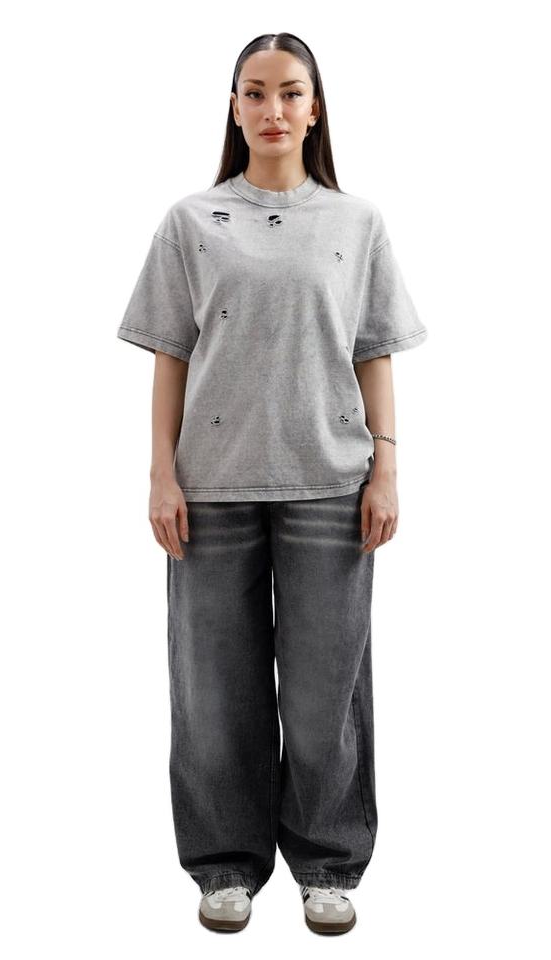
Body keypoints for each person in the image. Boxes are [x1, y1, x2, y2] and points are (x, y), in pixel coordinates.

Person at [117, 32, 428, 935]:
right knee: (214, 692)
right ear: (235, 107)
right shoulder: (191, 221)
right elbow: (170, 354)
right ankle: (224, 864)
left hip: (330, 485)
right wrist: (161, 473)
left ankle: (328, 863)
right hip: (211, 492)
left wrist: (387, 467)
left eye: (291, 92)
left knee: (327, 694)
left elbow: (374, 351)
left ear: (315, 108)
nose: (273, 109)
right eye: (255, 93)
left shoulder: (357, 223)